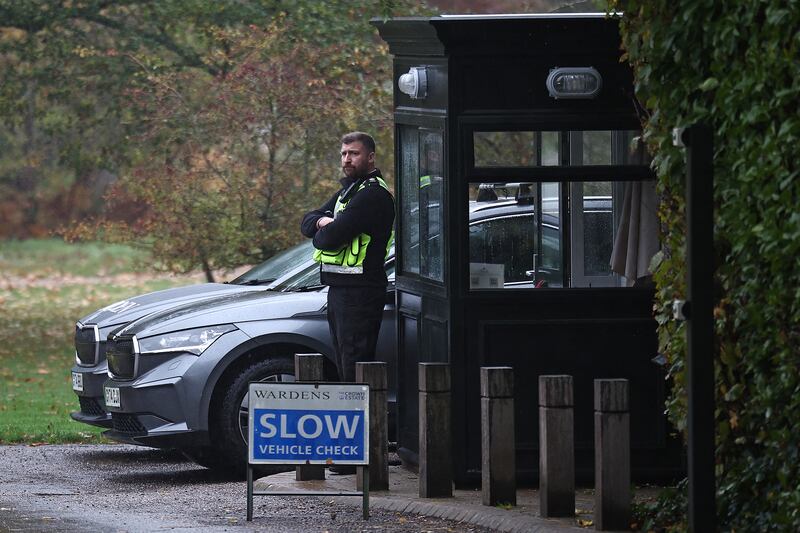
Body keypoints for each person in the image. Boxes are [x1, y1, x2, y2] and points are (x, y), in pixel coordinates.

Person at [300, 132, 395, 384]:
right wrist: (322, 221)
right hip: (342, 290)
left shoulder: (372, 195)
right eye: (343, 154)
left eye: (354, 153)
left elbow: (328, 238)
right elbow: (307, 221)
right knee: (345, 363)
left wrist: (323, 232)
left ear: (371, 157)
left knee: (355, 367)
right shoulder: (350, 191)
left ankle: (360, 421)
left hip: (360, 294)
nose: (347, 159)